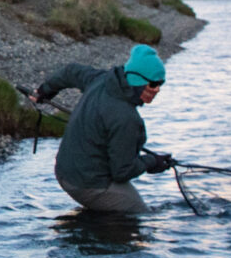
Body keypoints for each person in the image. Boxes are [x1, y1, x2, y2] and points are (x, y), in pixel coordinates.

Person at [32, 43, 174, 214]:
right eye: (153, 84)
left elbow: (71, 71)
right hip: (85, 183)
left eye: (160, 84)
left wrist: (45, 90)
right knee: (140, 214)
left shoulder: (102, 79)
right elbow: (122, 172)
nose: (157, 89)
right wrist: (152, 162)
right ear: (137, 81)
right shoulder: (127, 118)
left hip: (64, 170)